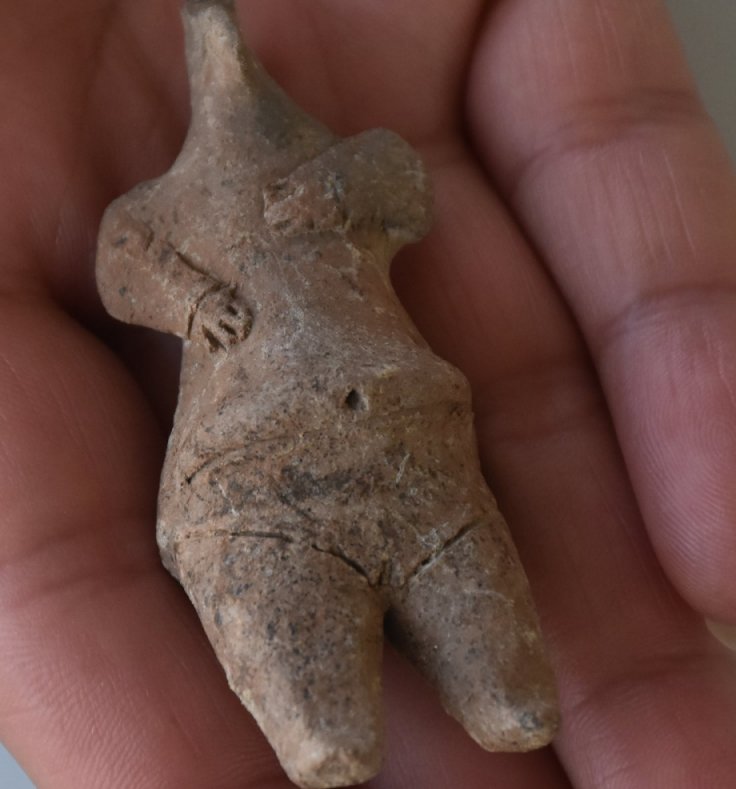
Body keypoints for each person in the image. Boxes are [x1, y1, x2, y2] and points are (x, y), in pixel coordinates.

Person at [0, 0, 734, 786]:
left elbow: (404, 184)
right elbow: (119, 262)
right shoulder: (159, 212)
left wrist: (334, 194)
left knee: (514, 701)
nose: (228, 61)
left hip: (414, 454)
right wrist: (186, 295)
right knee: (328, 737)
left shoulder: (355, 165)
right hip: (248, 490)